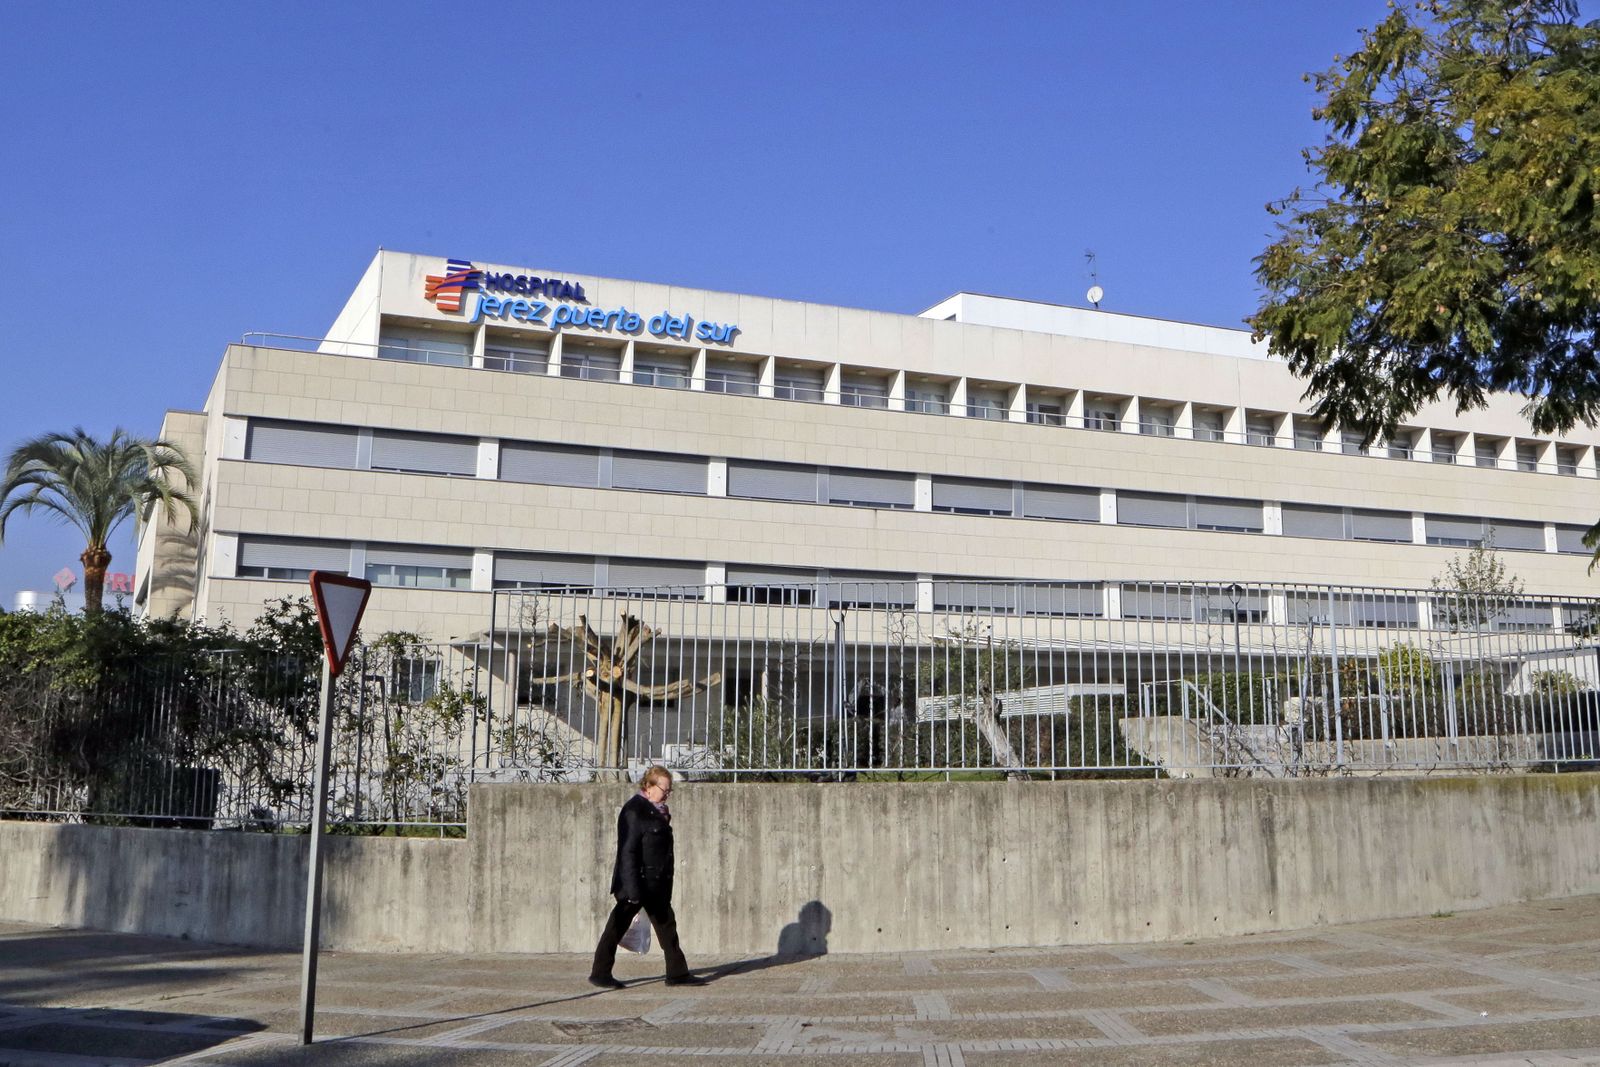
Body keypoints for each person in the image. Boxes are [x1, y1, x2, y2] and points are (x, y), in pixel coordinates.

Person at [588, 765, 704, 988]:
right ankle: (600, 973)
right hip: (637, 884)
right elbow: (628, 851)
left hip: (656, 884)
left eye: (670, 790)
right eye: (664, 789)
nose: (667, 794)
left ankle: (677, 974)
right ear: (649, 786)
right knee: (616, 927)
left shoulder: (658, 811)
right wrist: (632, 891)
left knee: (667, 927)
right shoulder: (634, 811)